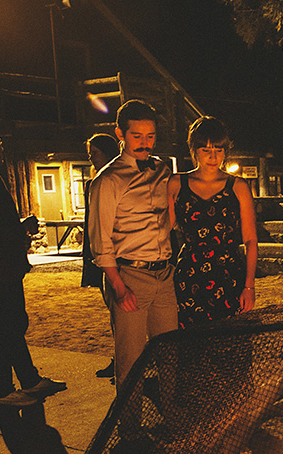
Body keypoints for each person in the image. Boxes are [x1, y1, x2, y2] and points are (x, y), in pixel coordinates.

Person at [0, 120, 66, 407]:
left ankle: (29, 379)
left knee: (14, 323)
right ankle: (4, 391)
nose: (2, 147)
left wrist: (19, 227)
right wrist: (23, 229)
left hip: (1, 263)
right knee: (4, 327)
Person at [88, 99, 177, 387]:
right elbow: (100, 241)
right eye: (136, 136)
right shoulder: (109, 180)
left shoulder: (162, 170)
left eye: (150, 136)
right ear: (120, 134)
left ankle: (175, 423)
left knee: (170, 355)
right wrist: (118, 286)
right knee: (131, 360)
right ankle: (130, 431)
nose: (144, 142)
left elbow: (171, 217)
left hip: (164, 274)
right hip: (130, 275)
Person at [168, 116, 257, 327]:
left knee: (232, 346)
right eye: (206, 150)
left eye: (218, 149)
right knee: (192, 346)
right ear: (194, 150)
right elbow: (162, 232)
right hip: (189, 276)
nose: (213, 156)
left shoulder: (238, 187)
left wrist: (249, 286)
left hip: (229, 275)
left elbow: (251, 240)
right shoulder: (176, 184)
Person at [80, 133, 119, 379]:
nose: (92, 158)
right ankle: (119, 357)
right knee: (111, 308)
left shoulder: (111, 181)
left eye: (95, 153)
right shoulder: (93, 183)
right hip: (97, 247)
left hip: (113, 249)